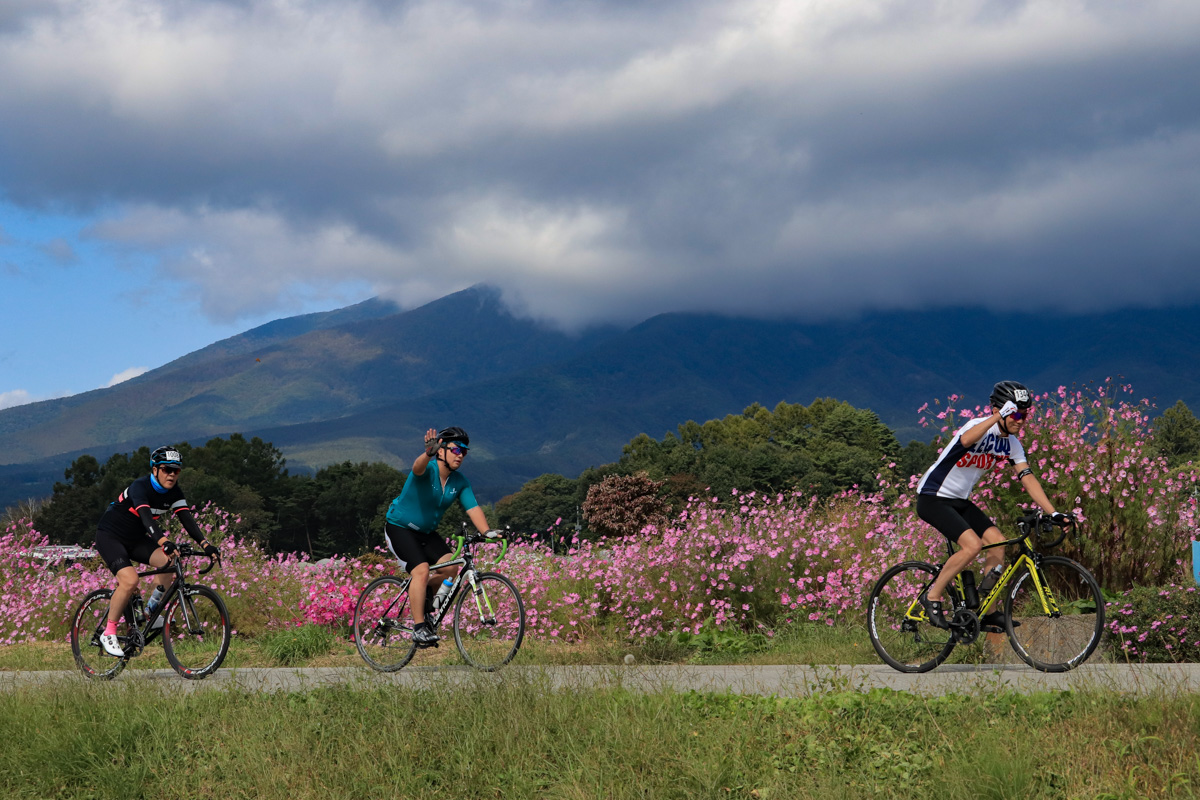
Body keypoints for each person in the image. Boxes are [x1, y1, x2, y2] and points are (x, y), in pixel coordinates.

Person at [915, 381, 1072, 631]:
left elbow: (1028, 478)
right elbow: (966, 440)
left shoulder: (1012, 444)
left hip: (959, 501)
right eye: (1016, 413)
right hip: (933, 496)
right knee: (973, 546)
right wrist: (996, 416)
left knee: (997, 544)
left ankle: (988, 611)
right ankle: (932, 597)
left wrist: (1052, 512)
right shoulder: (976, 426)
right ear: (998, 409)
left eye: (1025, 414)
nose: (1020, 420)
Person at [93, 446, 220, 656]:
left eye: (176, 471)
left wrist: (206, 545)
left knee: (170, 561)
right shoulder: (140, 487)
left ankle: (151, 610)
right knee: (130, 581)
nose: (171, 474)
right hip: (110, 536)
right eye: (166, 469)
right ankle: (109, 632)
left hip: (135, 540)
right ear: (155, 470)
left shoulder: (175, 492)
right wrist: (163, 540)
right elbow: (145, 517)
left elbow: (187, 519)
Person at [384, 426, 494, 646]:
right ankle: (419, 628)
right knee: (421, 570)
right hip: (400, 528)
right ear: (441, 450)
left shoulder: (459, 481)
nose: (460, 455)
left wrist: (488, 532)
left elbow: (473, 508)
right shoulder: (429, 470)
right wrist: (427, 453)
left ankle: (425, 604)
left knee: (451, 567)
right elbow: (416, 468)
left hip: (426, 533)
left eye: (464, 451)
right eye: (456, 450)